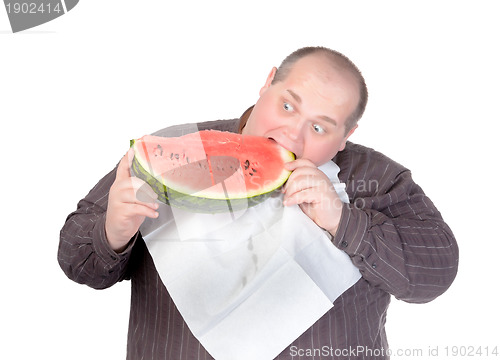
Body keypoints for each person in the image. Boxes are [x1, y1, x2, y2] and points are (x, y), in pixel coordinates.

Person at [58, 46, 459, 359]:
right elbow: (77, 263)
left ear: (346, 135)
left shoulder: (378, 179)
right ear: (267, 82)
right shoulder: (176, 150)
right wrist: (111, 232)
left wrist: (344, 222)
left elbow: (434, 274)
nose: (292, 136)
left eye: (319, 127)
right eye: (288, 106)